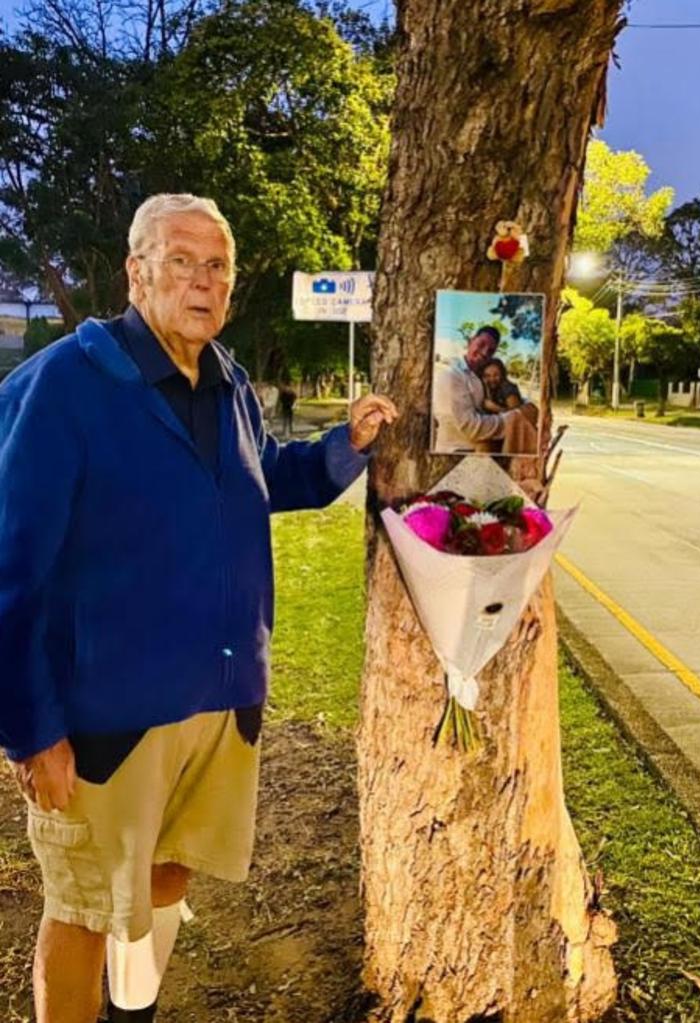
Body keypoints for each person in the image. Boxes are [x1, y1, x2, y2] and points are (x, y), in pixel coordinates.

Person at [0, 193, 397, 1023]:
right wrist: (33, 730)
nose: (202, 281)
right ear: (136, 272)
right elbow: (13, 571)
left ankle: (132, 1013)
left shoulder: (229, 383)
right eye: (180, 261)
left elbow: (263, 483)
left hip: (219, 701)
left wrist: (342, 449)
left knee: (167, 874)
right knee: (82, 906)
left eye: (217, 266)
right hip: (107, 716)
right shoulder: (67, 386)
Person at [432, 326, 516, 453]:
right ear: (470, 341)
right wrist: (513, 420)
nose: (484, 352)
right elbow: (471, 427)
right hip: (456, 452)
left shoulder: (483, 377)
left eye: (490, 351)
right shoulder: (451, 376)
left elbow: (506, 393)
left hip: (484, 449)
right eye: (481, 344)